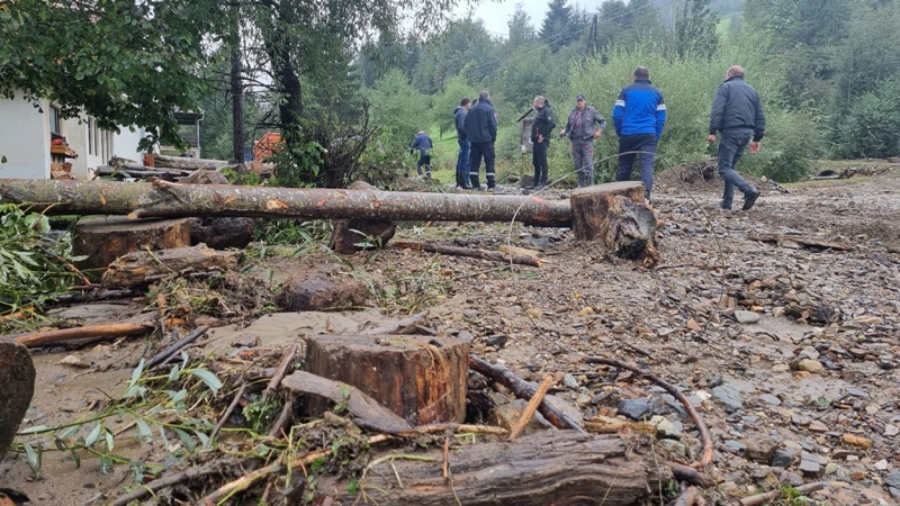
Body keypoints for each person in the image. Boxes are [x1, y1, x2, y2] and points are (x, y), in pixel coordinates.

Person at [708, 65, 765, 211]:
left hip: (730, 131)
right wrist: (757, 138)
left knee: (724, 168)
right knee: (730, 168)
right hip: (747, 133)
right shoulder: (752, 91)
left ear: (728, 74)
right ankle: (727, 203)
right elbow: (760, 116)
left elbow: (717, 109)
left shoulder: (725, 87)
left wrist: (712, 130)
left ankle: (748, 190)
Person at [613, 67, 666, 201]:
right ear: (649, 77)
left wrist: (620, 131)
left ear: (634, 77)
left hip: (628, 133)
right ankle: (646, 197)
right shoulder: (657, 93)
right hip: (648, 133)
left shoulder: (626, 91)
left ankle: (620, 197)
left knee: (624, 165)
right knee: (646, 165)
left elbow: (617, 114)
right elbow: (661, 118)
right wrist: (655, 135)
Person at [559, 93, 606, 188]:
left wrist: (599, 131)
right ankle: (580, 184)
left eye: (581, 100)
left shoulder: (591, 111)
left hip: (587, 140)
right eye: (578, 101)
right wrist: (564, 130)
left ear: (585, 101)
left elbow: (603, 121)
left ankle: (591, 184)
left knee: (588, 162)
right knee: (577, 163)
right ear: (576, 102)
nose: (579, 102)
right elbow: (568, 126)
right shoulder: (572, 112)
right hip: (575, 141)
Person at [464, 90, 498, 191]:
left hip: (474, 141)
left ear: (479, 98)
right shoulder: (490, 109)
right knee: (489, 161)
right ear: (487, 97)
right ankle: (491, 185)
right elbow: (493, 125)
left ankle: (475, 185)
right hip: (486, 140)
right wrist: (493, 138)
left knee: (474, 162)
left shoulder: (471, 110)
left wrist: (470, 135)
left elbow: (466, 124)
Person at [525, 96, 556, 190]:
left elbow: (552, 124)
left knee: (543, 162)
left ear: (538, 102)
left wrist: (542, 135)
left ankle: (543, 183)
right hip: (535, 141)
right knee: (535, 162)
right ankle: (535, 182)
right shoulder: (539, 112)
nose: (533, 104)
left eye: (534, 102)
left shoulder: (547, 111)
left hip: (542, 140)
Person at [453, 97, 472, 189]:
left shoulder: (459, 113)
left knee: (461, 159)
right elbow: (461, 127)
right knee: (465, 159)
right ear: (467, 103)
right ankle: (464, 182)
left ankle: (460, 181)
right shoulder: (462, 113)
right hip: (465, 139)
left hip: (463, 138)